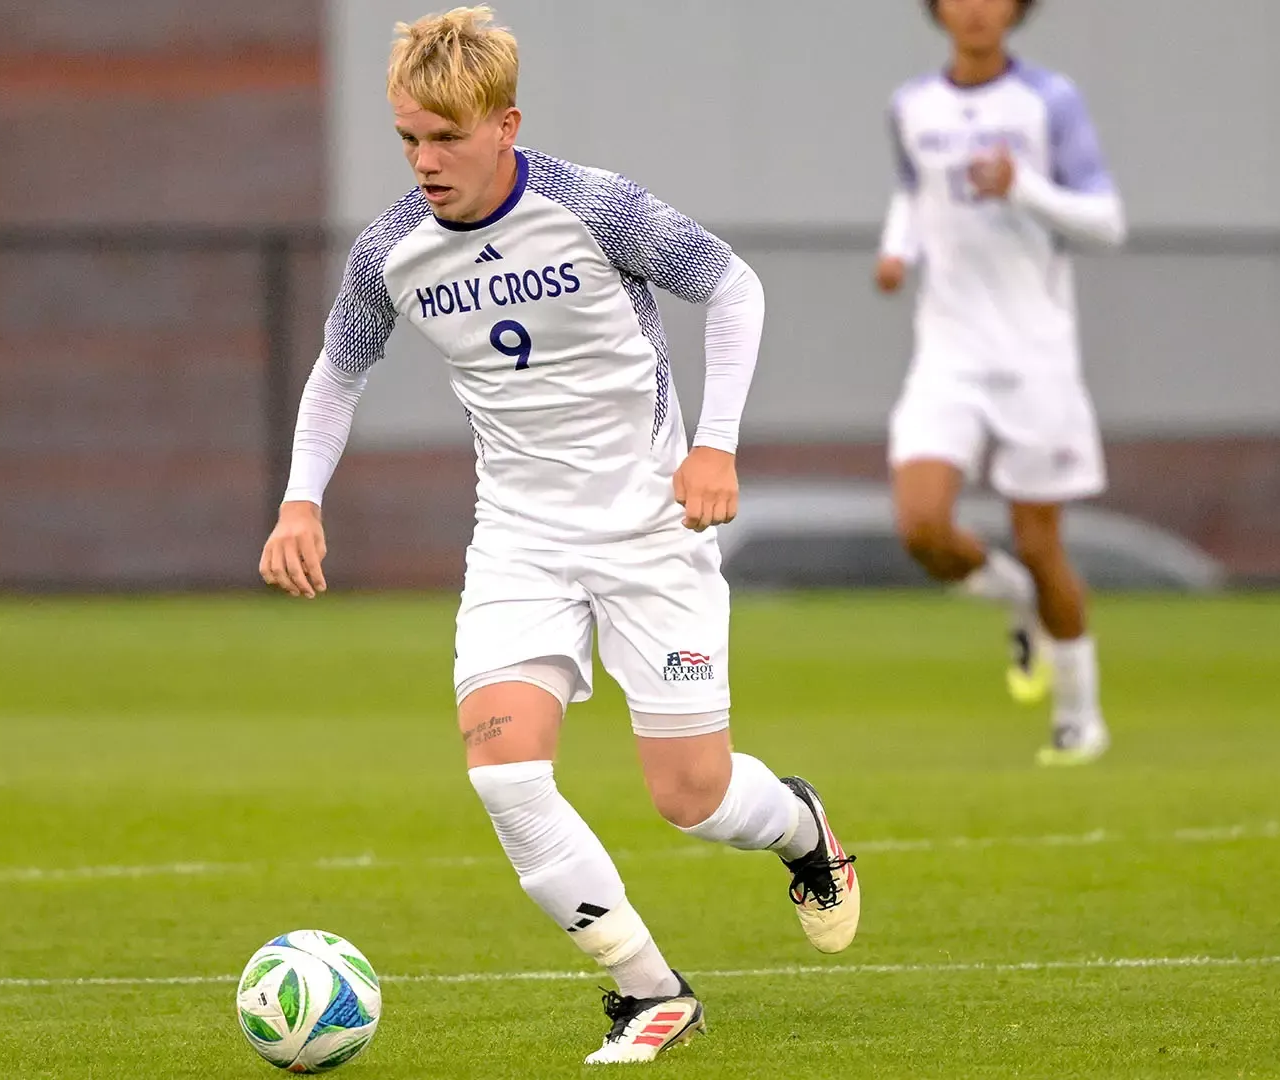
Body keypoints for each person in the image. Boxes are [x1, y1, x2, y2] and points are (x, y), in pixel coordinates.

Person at [259, 5, 858, 1065]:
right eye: (408, 138)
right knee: (504, 775)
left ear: (506, 125)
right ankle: (648, 991)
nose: (425, 161)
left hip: (651, 535)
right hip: (519, 546)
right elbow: (339, 371)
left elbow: (732, 284)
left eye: (446, 137)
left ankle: (804, 830)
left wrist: (714, 446)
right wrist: (300, 499)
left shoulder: (592, 206)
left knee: (694, 800)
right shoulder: (390, 250)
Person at [877, 0, 1126, 765]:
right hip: (948, 352)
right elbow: (913, 191)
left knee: (1040, 542)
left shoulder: (1049, 100)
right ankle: (1014, 597)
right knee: (921, 525)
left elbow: (1107, 222)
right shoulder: (911, 105)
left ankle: (1080, 718)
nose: (976, 9)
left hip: (1034, 356)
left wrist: (1024, 187)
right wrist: (898, 249)